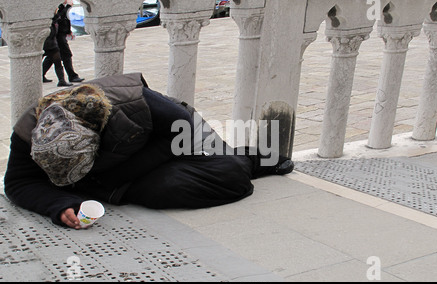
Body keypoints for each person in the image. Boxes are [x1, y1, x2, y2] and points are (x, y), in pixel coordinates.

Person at [4, 73, 294, 229]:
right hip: (115, 172)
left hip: (178, 139)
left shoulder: (133, 101)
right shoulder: (27, 134)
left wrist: (116, 174)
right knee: (161, 191)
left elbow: (184, 132)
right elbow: (17, 183)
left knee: (228, 174)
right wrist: (59, 205)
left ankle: (250, 159)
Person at [55, 0, 85, 83]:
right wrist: (68, 6)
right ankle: (72, 76)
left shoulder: (62, 7)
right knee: (66, 55)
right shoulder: (58, 7)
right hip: (58, 35)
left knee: (53, 55)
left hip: (62, 34)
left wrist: (68, 31)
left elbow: (66, 20)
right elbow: (58, 18)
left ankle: (42, 74)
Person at [42, 13, 73, 87]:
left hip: (52, 43)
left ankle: (61, 80)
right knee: (56, 62)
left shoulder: (55, 18)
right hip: (48, 44)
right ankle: (61, 80)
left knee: (57, 62)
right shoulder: (51, 19)